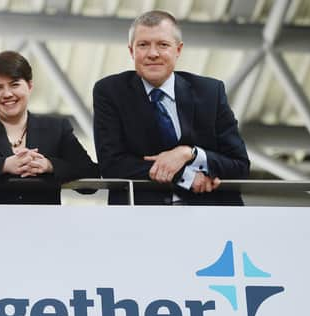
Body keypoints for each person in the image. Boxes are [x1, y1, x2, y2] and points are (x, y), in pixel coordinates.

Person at [93, 10, 249, 205]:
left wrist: (189, 154)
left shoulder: (210, 92)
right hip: (141, 217)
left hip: (211, 216)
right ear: (132, 51)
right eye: (143, 45)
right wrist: (186, 177)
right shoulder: (110, 92)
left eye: (163, 45)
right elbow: (111, 165)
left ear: (178, 50)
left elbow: (240, 165)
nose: (152, 53)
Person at [0, 51, 98, 204]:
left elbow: (91, 178)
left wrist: (50, 166)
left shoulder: (56, 129)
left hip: (44, 225)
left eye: (15, 85)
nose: (7, 94)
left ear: (29, 86)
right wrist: (3, 166)